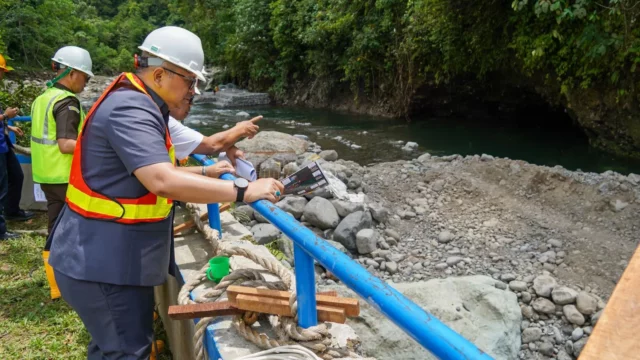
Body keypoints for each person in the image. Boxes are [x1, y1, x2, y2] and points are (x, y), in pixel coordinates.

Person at [48, 26, 283, 359]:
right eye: (190, 81)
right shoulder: (131, 108)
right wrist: (244, 190)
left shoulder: (142, 103)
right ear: (159, 74)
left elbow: (146, 174)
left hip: (106, 256)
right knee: (126, 351)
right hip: (101, 263)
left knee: (112, 346)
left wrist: (205, 170)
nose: (195, 92)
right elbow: (161, 179)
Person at [30, 46, 92, 234]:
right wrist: (98, 147)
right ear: (72, 73)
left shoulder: (43, 98)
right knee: (73, 229)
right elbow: (66, 144)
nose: (86, 83)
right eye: (85, 77)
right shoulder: (67, 101)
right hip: (64, 175)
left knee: (56, 225)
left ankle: (51, 261)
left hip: (45, 173)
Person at [0, 54, 32, 241]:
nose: (3, 75)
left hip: (4, 144)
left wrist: (8, 126)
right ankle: (1, 230)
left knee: (16, 176)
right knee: (1, 187)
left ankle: (12, 211)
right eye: (2, 71)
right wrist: (5, 116)